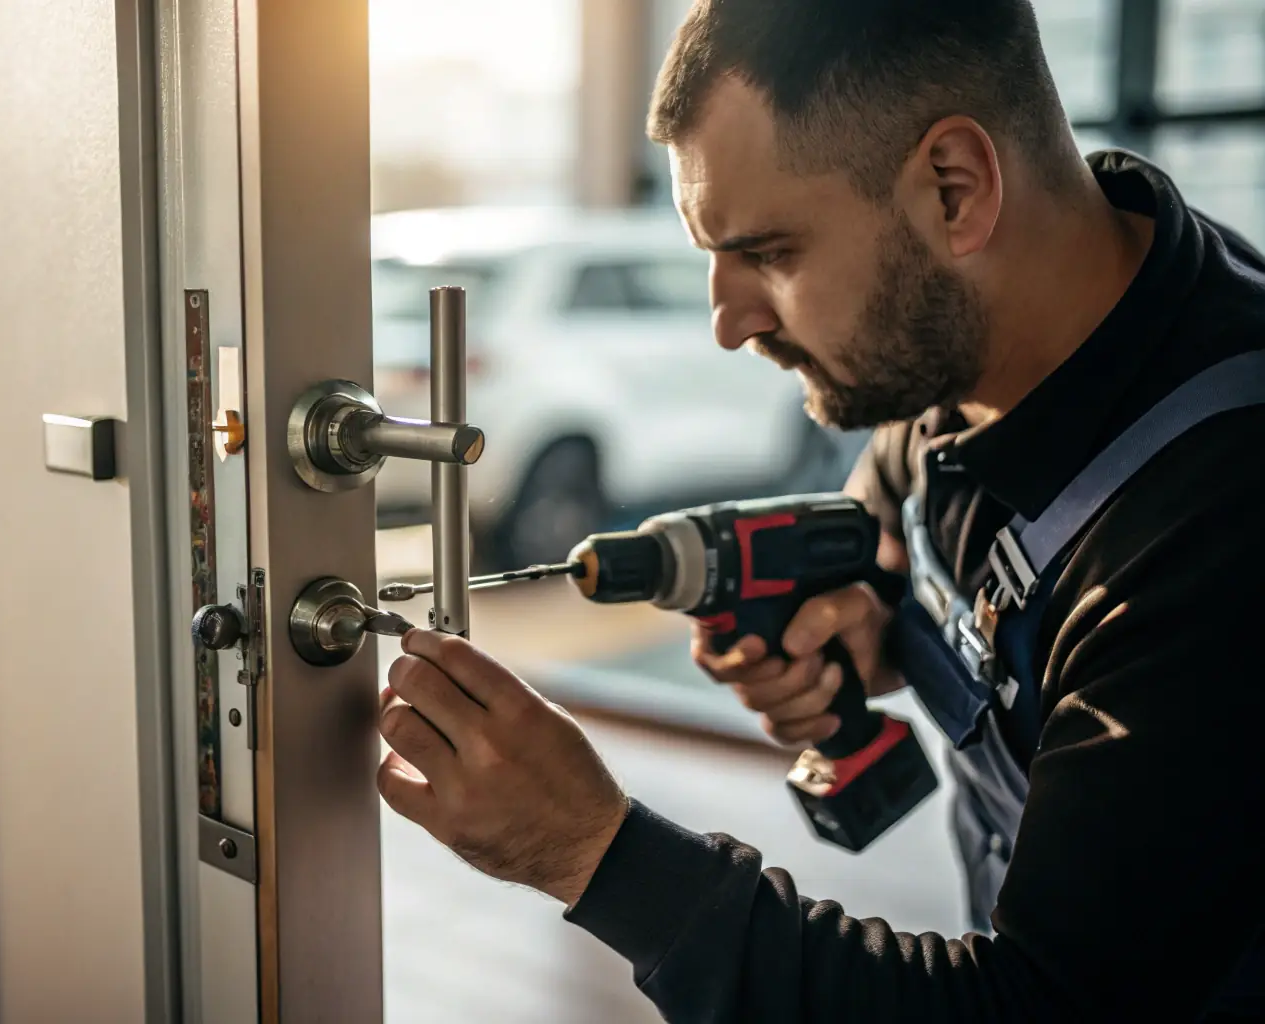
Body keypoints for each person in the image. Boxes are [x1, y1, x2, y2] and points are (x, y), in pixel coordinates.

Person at [373, 1, 1265, 1019]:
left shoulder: (1219, 528)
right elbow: (898, 510)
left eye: (771, 254)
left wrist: (595, 854)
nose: (726, 321)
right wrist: (881, 615)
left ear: (955, 188)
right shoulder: (976, 335)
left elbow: (1035, 1008)